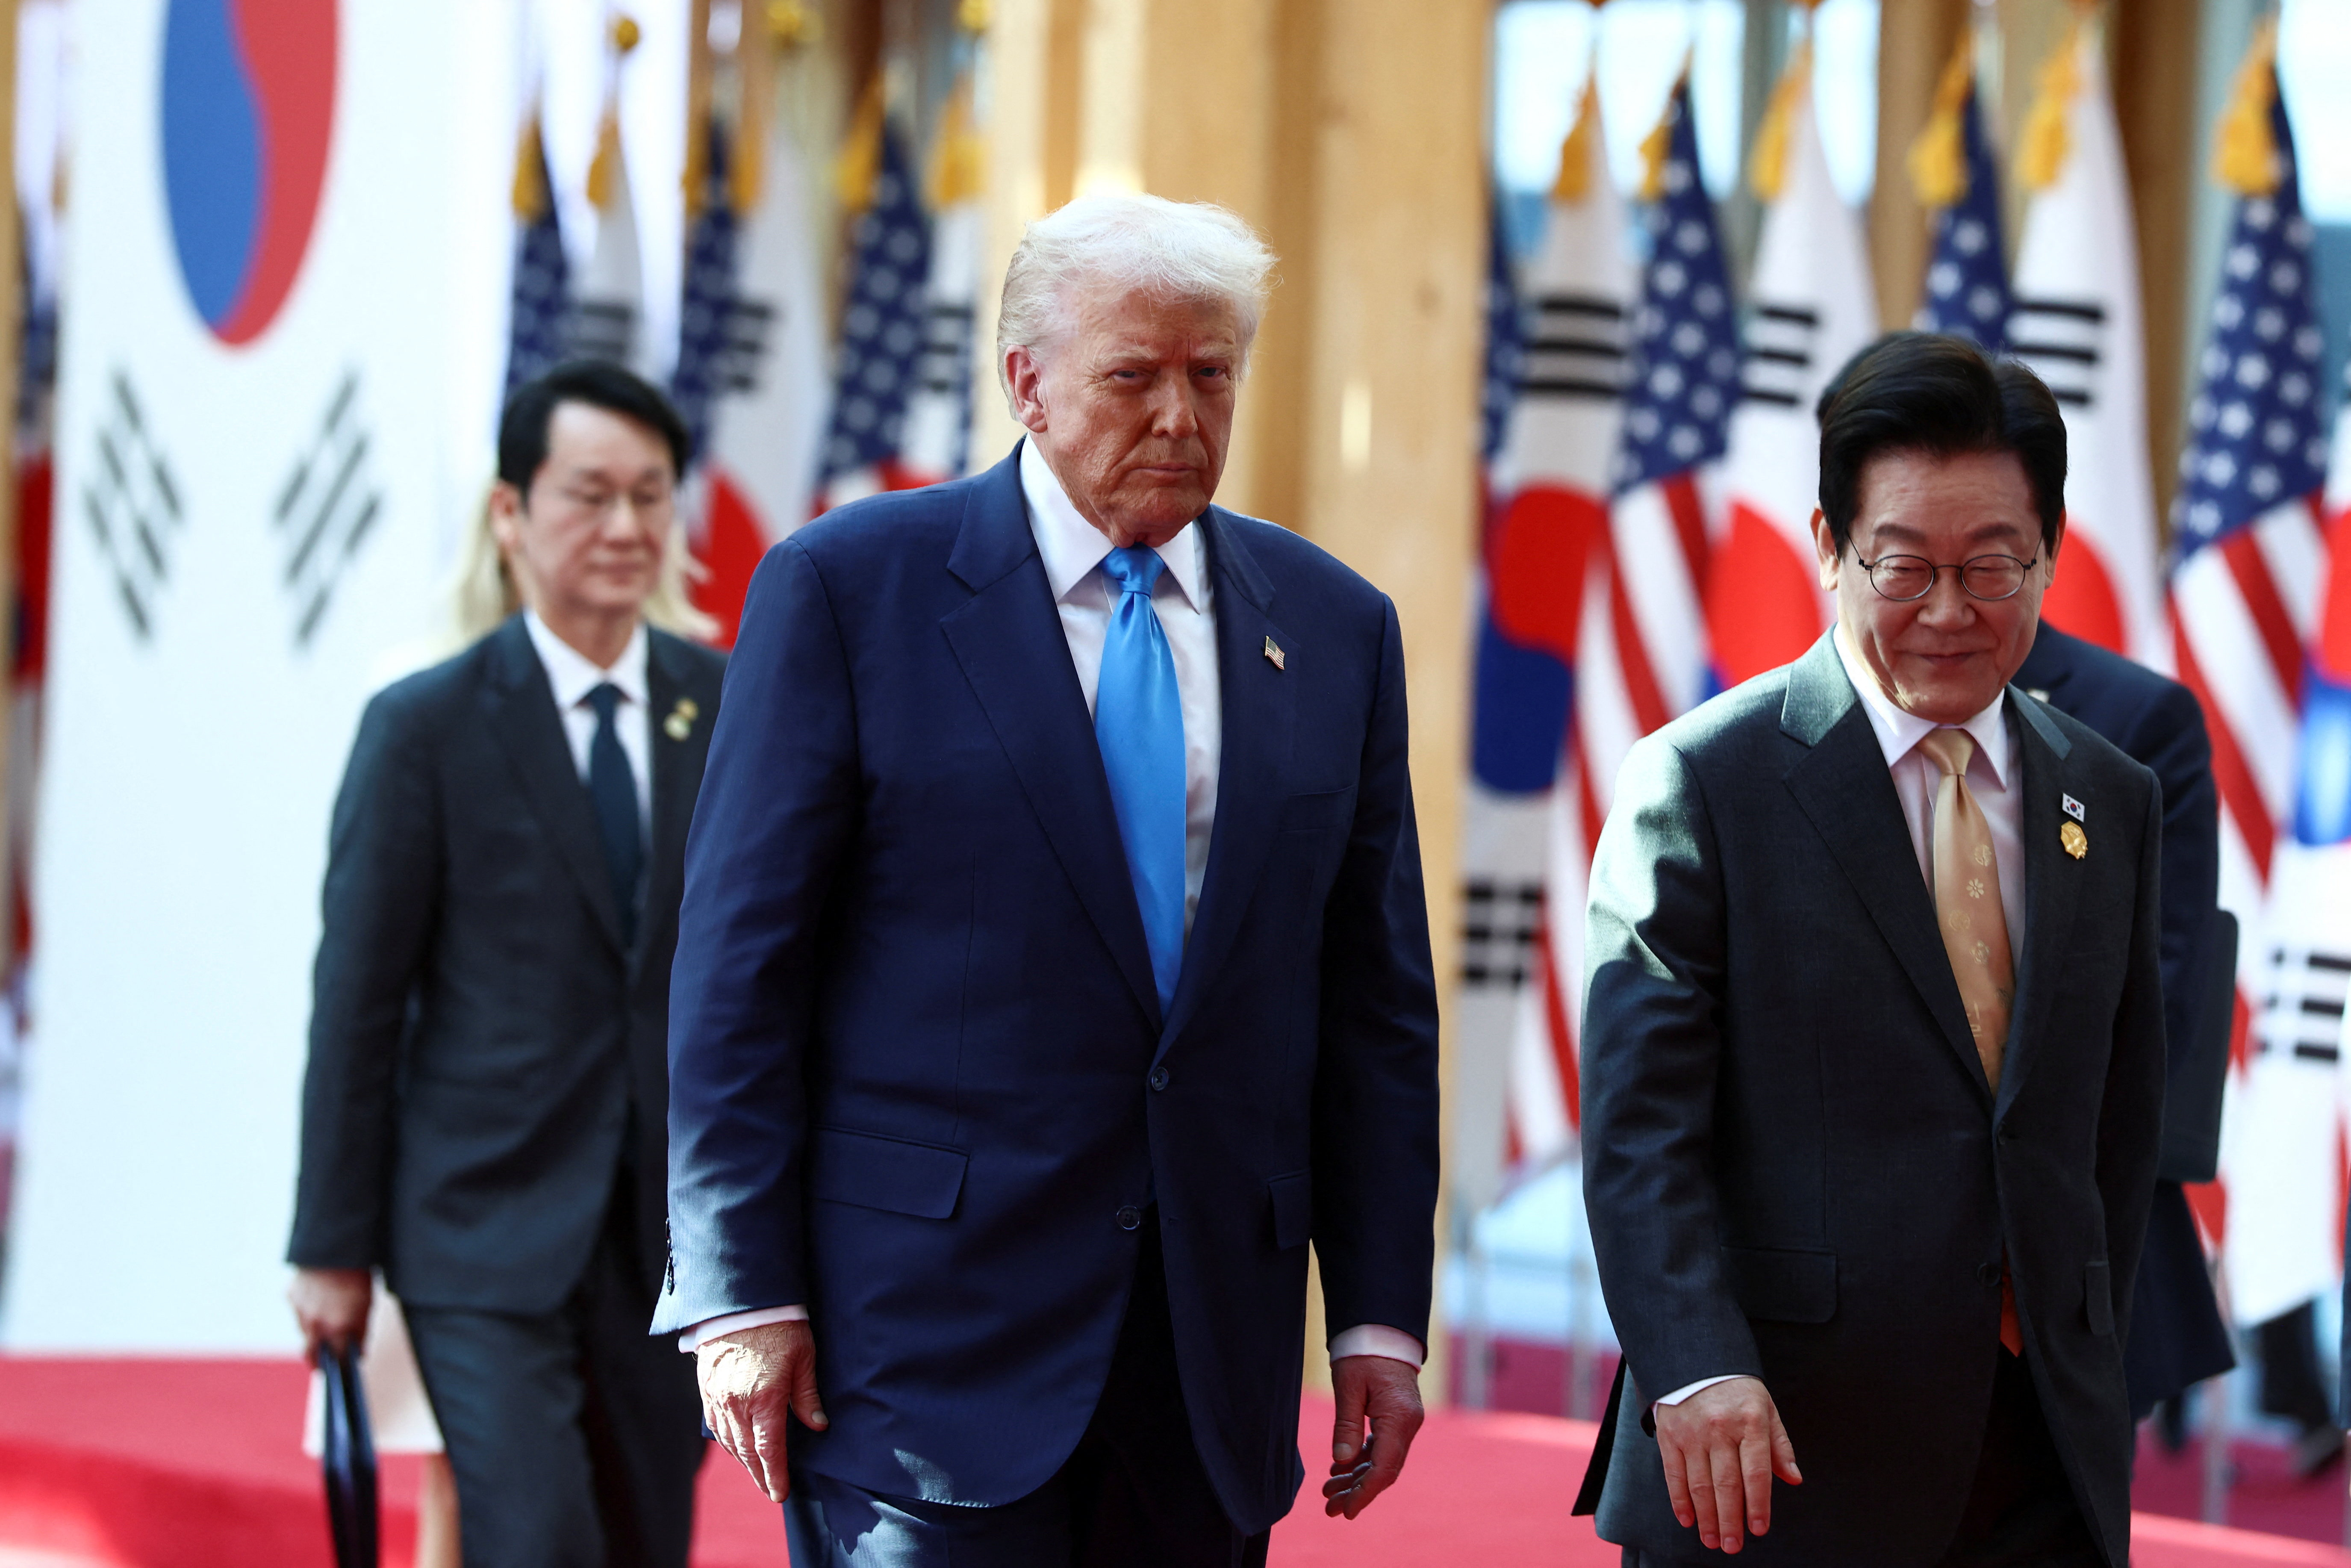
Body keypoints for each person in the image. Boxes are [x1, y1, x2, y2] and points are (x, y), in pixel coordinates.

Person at [657, 192, 1442, 1566]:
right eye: (1132, 377)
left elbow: (1373, 1004)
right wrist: (738, 1291)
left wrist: (1375, 1313)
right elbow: (738, 974)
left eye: (1212, 377)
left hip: (1207, 1361)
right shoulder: (849, 592)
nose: (1181, 419)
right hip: (915, 1355)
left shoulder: (1333, 628)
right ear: (1025, 382)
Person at [1576, 332, 2166, 1567]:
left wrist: (2082, 1345)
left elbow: (2108, 1125)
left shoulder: (2104, 796)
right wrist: (1693, 1366)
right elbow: (1640, 1132)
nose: (1949, 612)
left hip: (2035, 1457)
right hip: (1773, 1455)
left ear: (2049, 554)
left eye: (1992, 566)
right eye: (1903, 567)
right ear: (1827, 546)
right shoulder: (1703, 781)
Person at [286, 360, 726, 1568]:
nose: (626, 527)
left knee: (645, 1539)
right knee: (531, 1540)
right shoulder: (426, 728)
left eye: (651, 495)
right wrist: (329, 1246)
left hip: (671, 1242)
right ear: (510, 512)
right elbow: (358, 1003)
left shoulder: (730, 705)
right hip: (477, 1228)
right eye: (589, 494)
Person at [2013, 624, 2237, 1434]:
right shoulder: (1792, 721)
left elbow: (2164, 980)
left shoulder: (2135, 714)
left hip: (2069, 1223)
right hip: (1845, 1248)